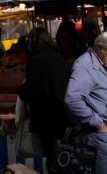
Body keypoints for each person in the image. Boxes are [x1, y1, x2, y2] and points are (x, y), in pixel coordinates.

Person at [64, 31, 107, 174]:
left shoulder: (106, 64)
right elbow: (72, 98)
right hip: (99, 135)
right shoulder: (84, 65)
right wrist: (98, 123)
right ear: (99, 48)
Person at [16, 27, 70, 163]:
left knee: (51, 153)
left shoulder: (36, 59)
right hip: (62, 112)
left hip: (46, 115)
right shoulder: (58, 56)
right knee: (60, 153)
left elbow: (33, 89)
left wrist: (21, 89)